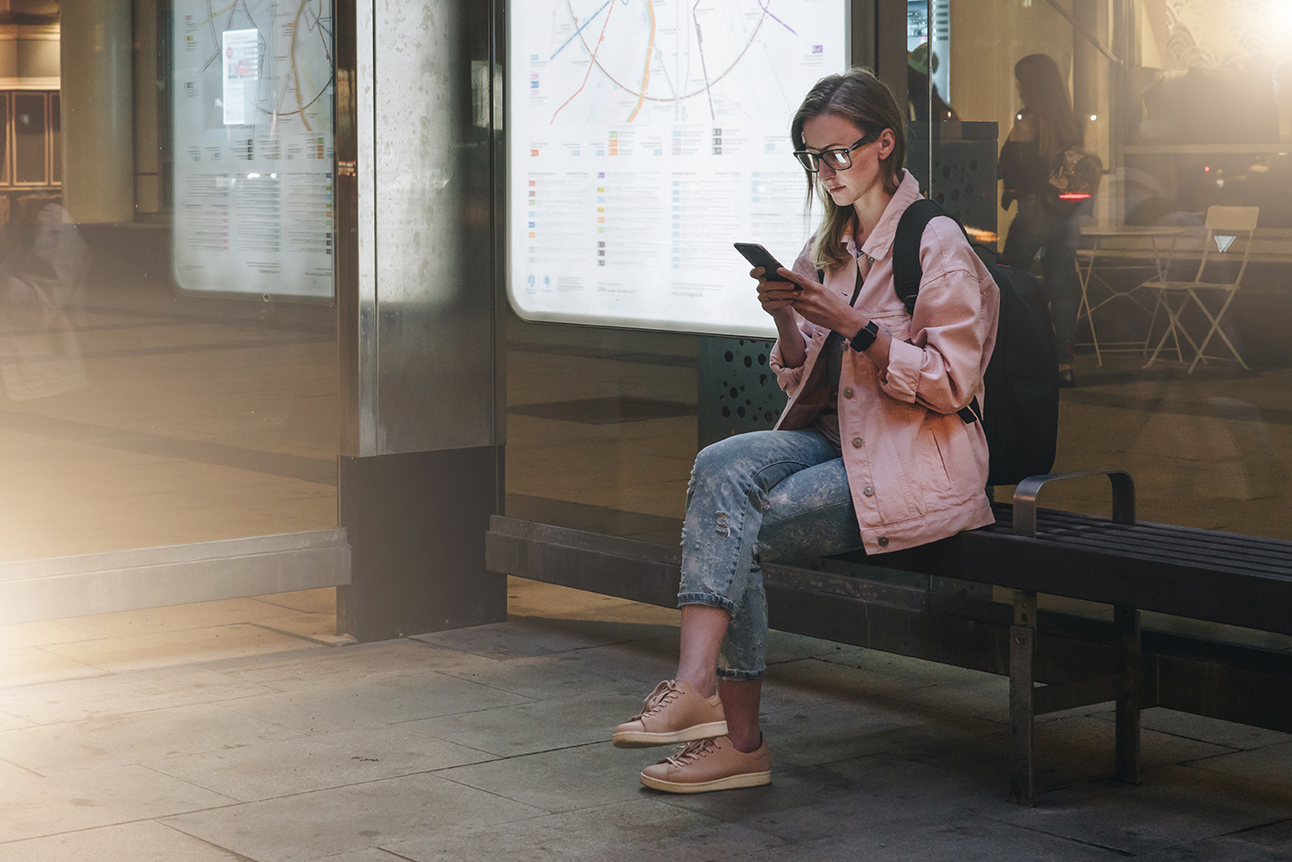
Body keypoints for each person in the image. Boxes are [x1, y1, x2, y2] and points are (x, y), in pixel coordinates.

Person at [610, 68, 1000, 794]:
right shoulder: (831, 241)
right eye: (812, 159)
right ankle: (696, 684)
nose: (826, 172)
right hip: (834, 440)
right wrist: (788, 317)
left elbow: (952, 382)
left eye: (838, 154)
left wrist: (855, 325)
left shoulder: (935, 241)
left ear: (885, 143)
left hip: (914, 457)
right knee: (721, 464)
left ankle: (741, 743)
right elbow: (796, 376)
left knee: (739, 528)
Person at [998, 53, 1084, 387]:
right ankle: (1064, 364)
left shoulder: (1028, 118)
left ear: (1031, 83)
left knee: (1010, 280)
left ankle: (1022, 354)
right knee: (1062, 287)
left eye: (1020, 79)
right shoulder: (1068, 120)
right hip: (1065, 213)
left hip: (1035, 209)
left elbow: (1015, 163)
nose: (1017, 86)